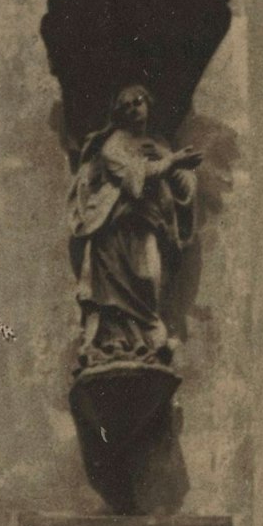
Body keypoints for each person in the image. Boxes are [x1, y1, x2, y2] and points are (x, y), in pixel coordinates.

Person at [66, 81, 199, 370]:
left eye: (137, 102)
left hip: (149, 225)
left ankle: (148, 339)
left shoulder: (159, 144)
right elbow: (131, 178)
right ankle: (125, 344)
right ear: (118, 114)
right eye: (125, 106)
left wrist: (175, 166)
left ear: (148, 104)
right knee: (116, 291)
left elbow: (183, 186)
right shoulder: (114, 143)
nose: (133, 110)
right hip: (116, 231)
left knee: (149, 278)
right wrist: (172, 162)